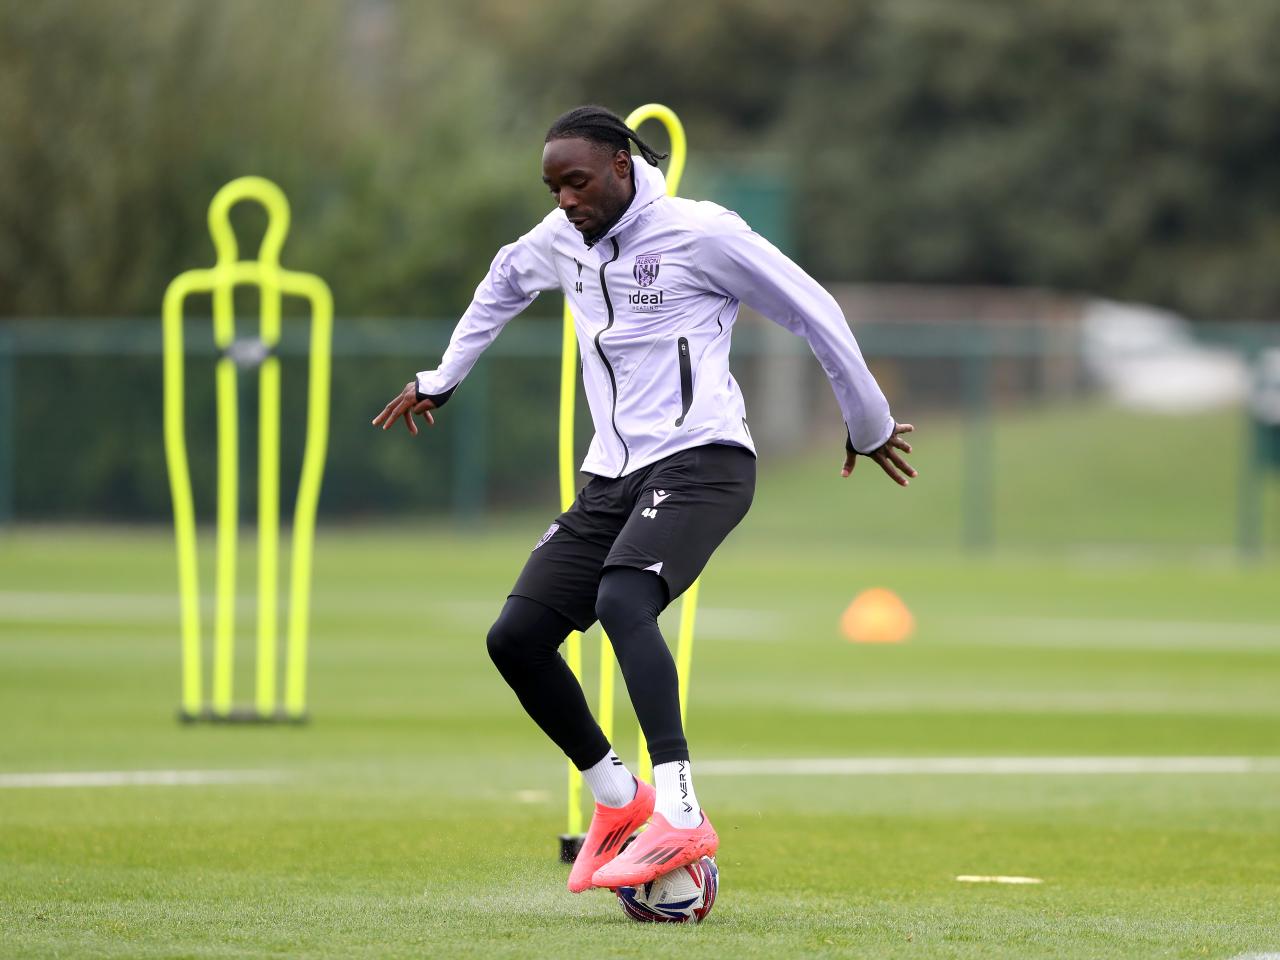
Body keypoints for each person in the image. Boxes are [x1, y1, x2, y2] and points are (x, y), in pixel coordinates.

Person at [373, 105, 916, 893]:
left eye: (578, 181)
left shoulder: (702, 233)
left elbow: (814, 310)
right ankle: (621, 799)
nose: (564, 199)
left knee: (625, 599)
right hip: (613, 479)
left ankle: (685, 815)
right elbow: (501, 283)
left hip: (705, 463)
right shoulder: (562, 240)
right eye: (553, 186)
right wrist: (441, 379)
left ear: (622, 168)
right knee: (515, 637)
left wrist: (866, 423)